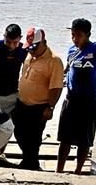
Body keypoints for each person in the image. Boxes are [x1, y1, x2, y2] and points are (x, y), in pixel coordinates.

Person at [56, 18, 96, 174]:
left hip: (89, 101)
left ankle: (78, 171)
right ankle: (59, 171)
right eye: (73, 35)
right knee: (64, 138)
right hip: (71, 100)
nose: (75, 39)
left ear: (88, 35)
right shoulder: (72, 51)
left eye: (79, 35)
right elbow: (67, 70)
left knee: (84, 140)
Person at [13, 27, 64, 170]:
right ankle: (28, 160)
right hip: (22, 103)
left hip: (39, 106)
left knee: (33, 139)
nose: (31, 50)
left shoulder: (54, 61)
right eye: (29, 47)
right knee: (18, 132)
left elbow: (56, 87)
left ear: (44, 42)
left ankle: (31, 164)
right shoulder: (29, 55)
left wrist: (51, 107)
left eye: (34, 47)